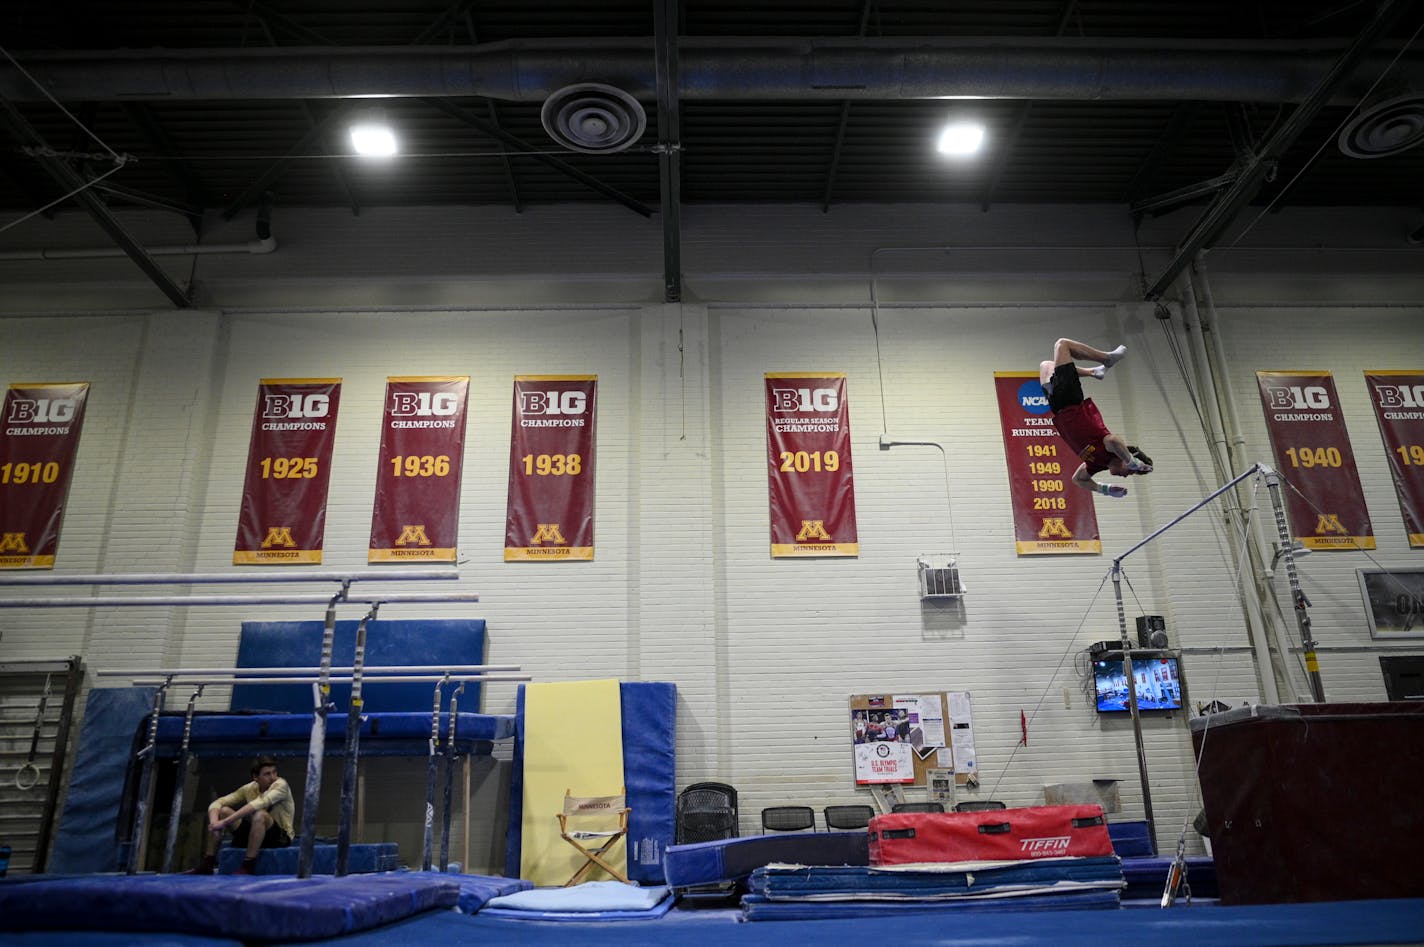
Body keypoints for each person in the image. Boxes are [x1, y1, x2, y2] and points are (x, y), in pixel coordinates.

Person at [1039, 337, 1153, 498]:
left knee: (1046, 365)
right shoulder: (1112, 451)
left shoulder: (1098, 464)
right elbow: (1112, 440)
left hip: (1057, 407)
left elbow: (1078, 479)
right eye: (1131, 472)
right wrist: (1131, 461)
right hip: (1070, 401)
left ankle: (1094, 372)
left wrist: (1104, 489)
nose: (1127, 476)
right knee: (1062, 345)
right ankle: (1107, 358)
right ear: (1128, 458)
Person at [187, 756, 294, 875]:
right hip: (257, 835)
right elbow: (218, 802)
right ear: (255, 777)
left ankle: (248, 865)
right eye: (267, 774)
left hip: (279, 838)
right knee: (223, 811)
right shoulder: (249, 788)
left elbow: (258, 804)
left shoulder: (281, 785)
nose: (273, 777)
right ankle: (208, 863)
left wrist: (224, 822)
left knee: (260, 815)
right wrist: (214, 824)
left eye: (274, 772)